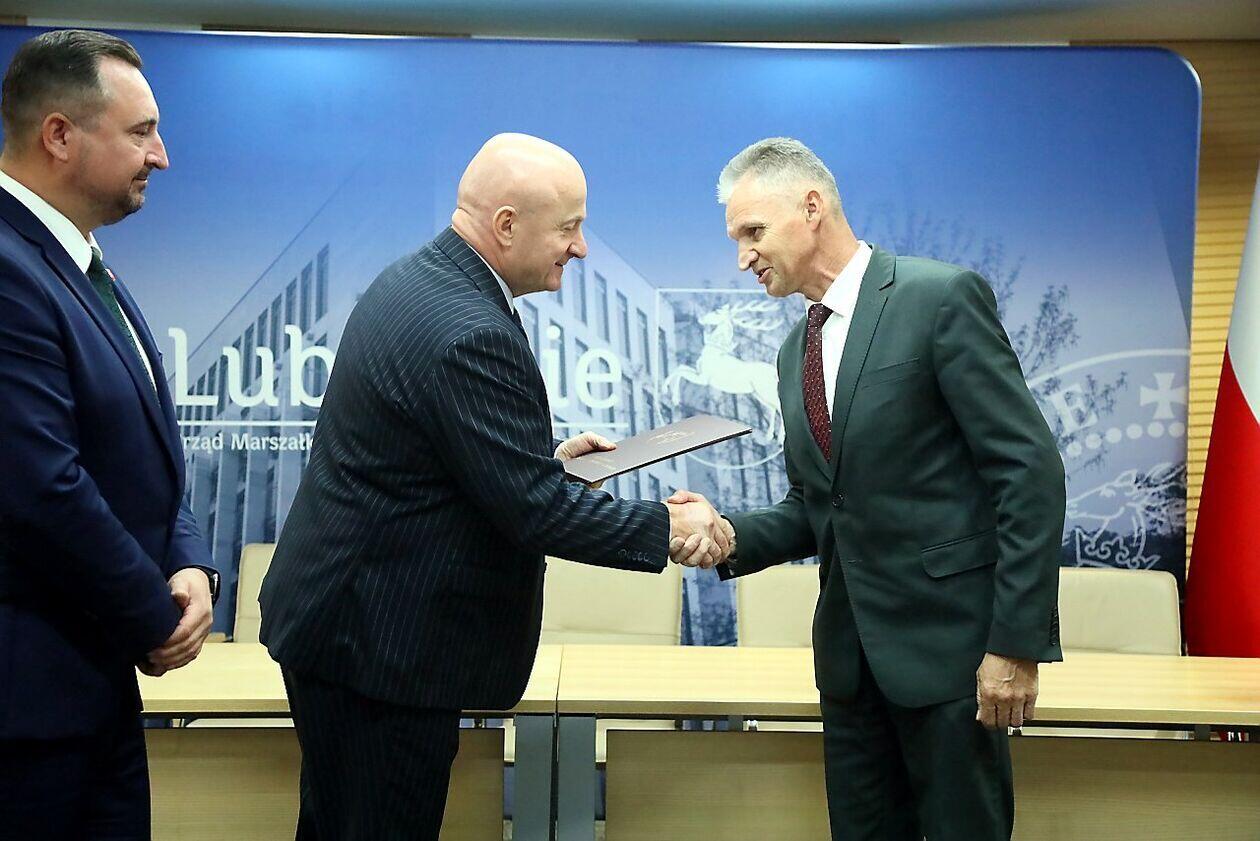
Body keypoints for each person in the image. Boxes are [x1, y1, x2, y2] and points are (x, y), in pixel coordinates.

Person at [258, 132, 731, 840]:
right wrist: (668, 528)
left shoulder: (421, 281)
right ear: (507, 224)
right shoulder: (467, 326)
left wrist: (545, 461)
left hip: (353, 628)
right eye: (569, 227)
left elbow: (440, 461)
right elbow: (533, 510)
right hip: (378, 648)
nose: (581, 248)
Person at [672, 137, 1065, 840]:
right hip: (851, 672)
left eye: (753, 232)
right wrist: (726, 533)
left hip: (954, 664)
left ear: (812, 207)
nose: (743, 257)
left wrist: (1015, 644)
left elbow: (1027, 470)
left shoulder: (939, 298)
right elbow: (815, 506)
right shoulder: (795, 351)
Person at [0, 29, 218, 840]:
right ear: (59, 135)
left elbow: (144, 449)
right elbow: (40, 487)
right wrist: (154, 615)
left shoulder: (83, 263)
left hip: (93, 697)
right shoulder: (8, 269)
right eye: (141, 132)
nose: (161, 155)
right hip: (28, 716)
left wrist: (187, 561)